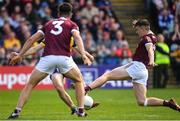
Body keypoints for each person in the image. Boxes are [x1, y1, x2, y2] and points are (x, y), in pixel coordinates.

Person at [8, 2, 90, 119]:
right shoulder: (72, 24)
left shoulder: (48, 24)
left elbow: (32, 39)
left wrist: (20, 54)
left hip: (47, 59)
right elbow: (77, 37)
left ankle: (17, 111)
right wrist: (84, 55)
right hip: (64, 58)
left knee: (30, 85)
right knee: (78, 81)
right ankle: (81, 110)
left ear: (58, 13)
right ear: (70, 14)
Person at [85, 19, 180, 112]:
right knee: (142, 101)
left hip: (137, 67)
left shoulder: (146, 38)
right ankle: (168, 103)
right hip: (143, 71)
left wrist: (151, 60)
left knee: (107, 75)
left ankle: (86, 89)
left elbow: (150, 49)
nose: (137, 32)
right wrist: (137, 23)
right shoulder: (152, 36)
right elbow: (147, 30)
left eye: (138, 29)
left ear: (143, 29)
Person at [9, 38, 99, 116]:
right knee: (59, 87)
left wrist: (88, 55)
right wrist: (20, 54)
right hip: (54, 67)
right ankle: (73, 107)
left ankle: (86, 103)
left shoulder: (68, 36)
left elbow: (78, 48)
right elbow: (35, 48)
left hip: (66, 63)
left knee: (80, 82)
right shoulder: (50, 37)